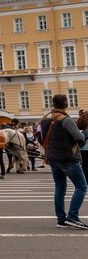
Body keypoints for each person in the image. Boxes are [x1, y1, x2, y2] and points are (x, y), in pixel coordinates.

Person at [39, 94, 87, 228]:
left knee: (60, 188)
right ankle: (72, 217)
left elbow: (42, 139)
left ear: (53, 104)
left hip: (53, 158)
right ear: (66, 104)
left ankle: (61, 219)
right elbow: (80, 137)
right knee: (82, 187)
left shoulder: (45, 119)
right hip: (68, 158)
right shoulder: (66, 119)